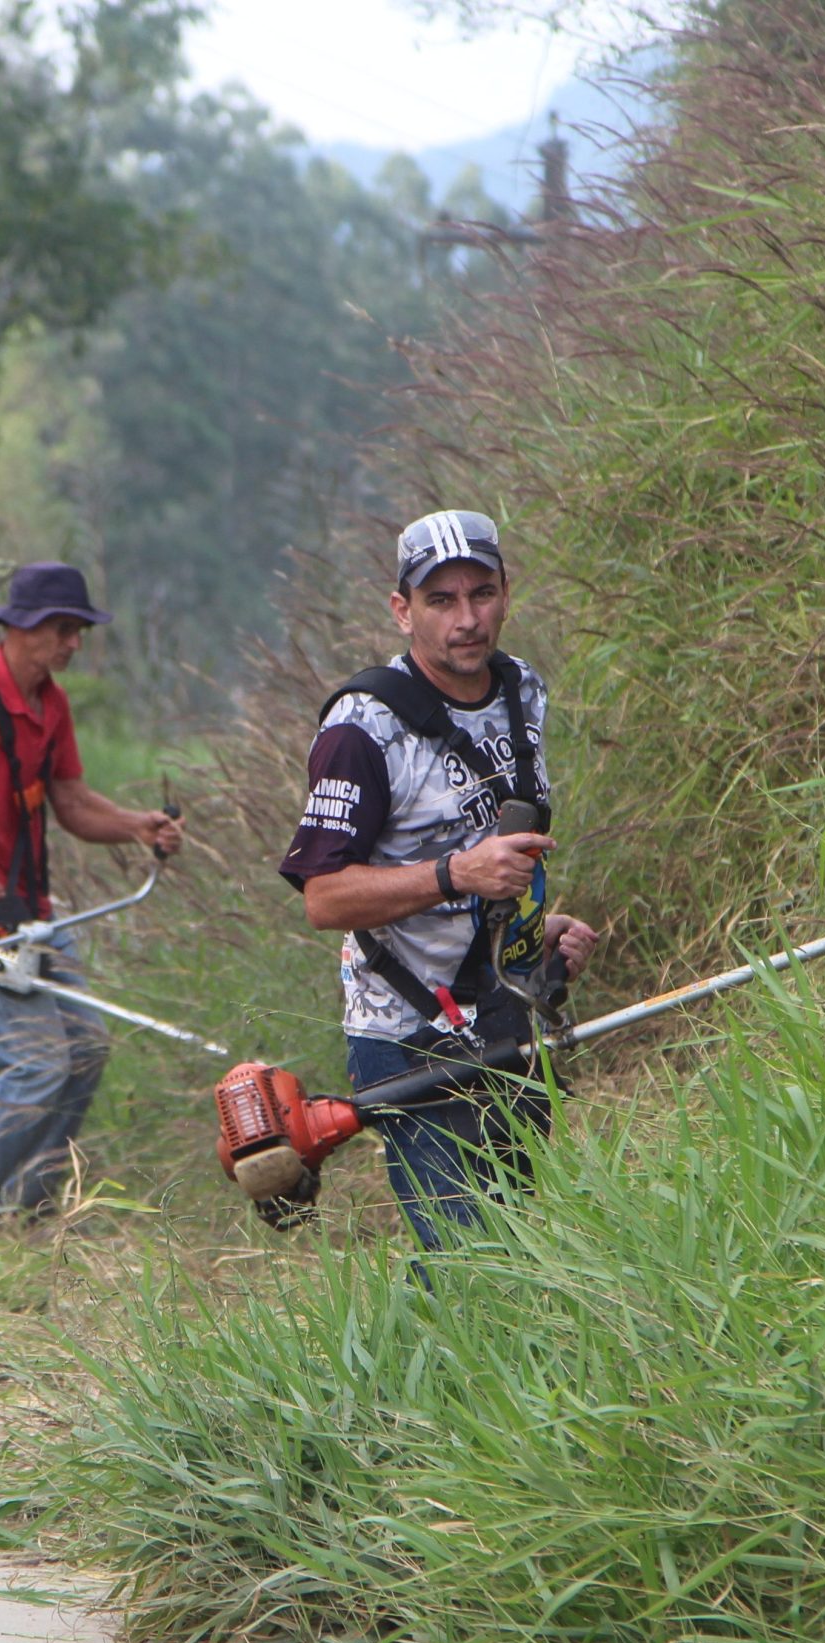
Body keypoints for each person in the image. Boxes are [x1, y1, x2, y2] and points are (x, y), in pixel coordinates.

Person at [277, 509, 600, 1250]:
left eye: (481, 593)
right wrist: (457, 874)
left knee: (519, 1244)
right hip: (405, 1031)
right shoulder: (361, 729)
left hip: (504, 1013)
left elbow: (502, 849)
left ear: (507, 593)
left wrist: (530, 933)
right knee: (467, 1260)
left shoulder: (523, 693)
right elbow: (323, 898)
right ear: (402, 609)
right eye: (440, 600)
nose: (467, 619)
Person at [0, 562, 184, 1217]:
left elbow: (72, 803)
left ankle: (26, 1206)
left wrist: (138, 826)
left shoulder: (51, 701)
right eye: (62, 629)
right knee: (36, 1062)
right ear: (19, 628)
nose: (73, 642)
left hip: (19, 905)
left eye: (78, 629)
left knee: (86, 1049)